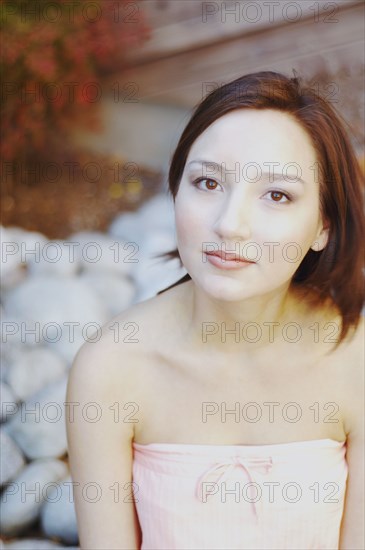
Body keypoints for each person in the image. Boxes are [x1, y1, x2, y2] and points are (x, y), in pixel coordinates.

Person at [66, 70, 364, 550]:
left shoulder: (354, 360)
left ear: (323, 225)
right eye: (207, 182)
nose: (230, 225)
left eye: (277, 195)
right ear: (175, 190)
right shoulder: (113, 367)